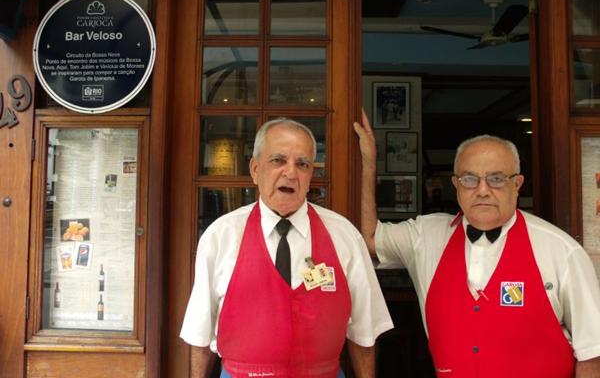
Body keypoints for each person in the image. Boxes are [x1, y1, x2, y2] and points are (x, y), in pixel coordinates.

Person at [353, 110, 600, 377]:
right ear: (456, 185)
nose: (482, 190)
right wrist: (369, 164)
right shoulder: (426, 236)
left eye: (496, 179)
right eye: (470, 179)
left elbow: (592, 354)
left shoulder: (561, 251)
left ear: (517, 184)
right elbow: (368, 239)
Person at [181, 118, 393, 378]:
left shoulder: (344, 235)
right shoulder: (221, 236)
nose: (291, 172)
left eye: (302, 164)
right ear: (255, 169)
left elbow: (365, 334)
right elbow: (200, 338)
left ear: (310, 175)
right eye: (278, 160)